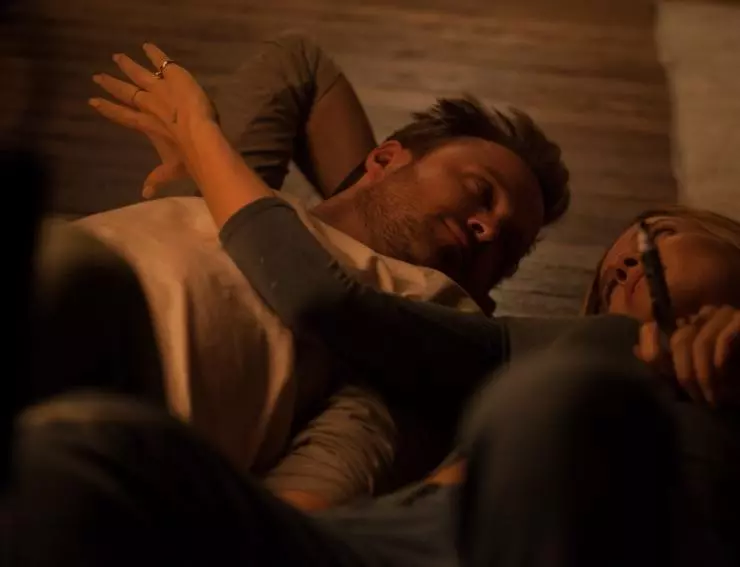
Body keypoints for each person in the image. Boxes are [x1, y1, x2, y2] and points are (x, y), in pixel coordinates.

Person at [88, 44, 740, 563]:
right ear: (385, 157)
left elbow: (336, 333)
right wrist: (355, 203)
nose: (487, 227)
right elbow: (297, 61)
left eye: (504, 252)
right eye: (480, 192)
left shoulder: (431, 328)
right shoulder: (242, 201)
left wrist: (200, 135)